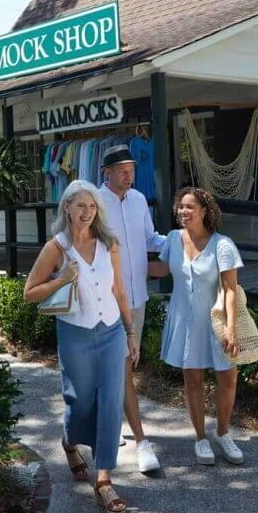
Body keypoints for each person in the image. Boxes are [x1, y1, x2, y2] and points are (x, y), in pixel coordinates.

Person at [24, 180, 139, 513]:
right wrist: (62, 279)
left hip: (111, 331)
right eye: (81, 207)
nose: (87, 213)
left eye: (92, 207)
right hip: (75, 334)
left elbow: (119, 292)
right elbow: (29, 293)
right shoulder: (56, 248)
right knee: (81, 401)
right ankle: (69, 441)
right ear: (68, 209)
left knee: (110, 401)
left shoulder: (109, 244)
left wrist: (131, 332)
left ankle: (104, 478)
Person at [151, 187, 244, 465]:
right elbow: (162, 269)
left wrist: (230, 328)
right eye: (181, 207)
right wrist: (124, 265)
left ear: (205, 210)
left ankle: (223, 432)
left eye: (190, 207)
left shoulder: (222, 244)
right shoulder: (173, 240)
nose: (183, 212)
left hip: (216, 322)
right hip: (184, 321)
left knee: (228, 378)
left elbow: (230, 289)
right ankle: (201, 438)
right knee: (192, 381)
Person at [100, 143, 166, 474]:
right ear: (106, 173)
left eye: (132, 169)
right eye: (122, 170)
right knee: (121, 365)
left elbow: (152, 240)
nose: (129, 175)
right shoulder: (93, 203)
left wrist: (184, 243)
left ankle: (107, 427)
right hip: (104, 302)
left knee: (122, 366)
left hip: (137, 297)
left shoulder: (139, 200)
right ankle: (142, 442)